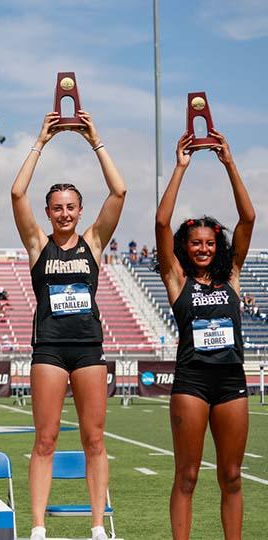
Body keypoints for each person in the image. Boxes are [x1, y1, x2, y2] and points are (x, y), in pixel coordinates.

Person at [11, 111, 126, 540]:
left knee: (94, 439)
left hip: (89, 349)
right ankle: (39, 526)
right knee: (46, 438)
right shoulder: (38, 244)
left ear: (80, 211)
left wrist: (94, 138)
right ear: (48, 211)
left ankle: (98, 525)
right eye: (57, 208)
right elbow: (17, 191)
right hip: (50, 351)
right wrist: (41, 140)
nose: (64, 214)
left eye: (71, 208)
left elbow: (120, 190)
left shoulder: (94, 241)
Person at [154, 130, 253, 540]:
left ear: (219, 246)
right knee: (188, 475)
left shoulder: (231, 277)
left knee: (231, 476)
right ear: (185, 246)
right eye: (195, 243)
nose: (202, 249)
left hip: (231, 381)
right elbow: (161, 221)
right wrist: (180, 167)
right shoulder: (176, 279)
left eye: (209, 243)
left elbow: (248, 219)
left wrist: (229, 162)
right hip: (192, 382)